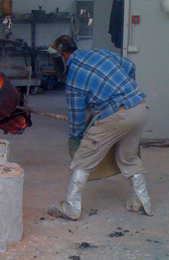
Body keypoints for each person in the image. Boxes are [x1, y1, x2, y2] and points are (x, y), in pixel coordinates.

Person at [47, 35, 153, 220]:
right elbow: (130, 67)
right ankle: (141, 201)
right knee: (128, 156)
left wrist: (75, 138)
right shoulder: (100, 53)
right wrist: (124, 91)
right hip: (139, 106)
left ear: (63, 55)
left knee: (83, 158)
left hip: (117, 115)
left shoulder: (73, 78)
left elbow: (77, 117)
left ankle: (71, 207)